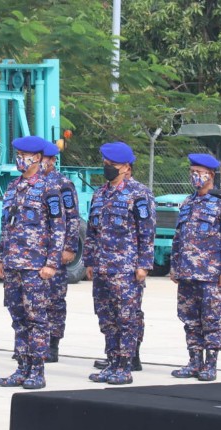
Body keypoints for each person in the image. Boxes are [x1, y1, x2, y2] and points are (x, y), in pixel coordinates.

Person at [0, 135, 65, 390]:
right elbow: (6, 226)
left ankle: (37, 370)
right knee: (18, 318)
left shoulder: (49, 189)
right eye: (18, 155)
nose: (20, 160)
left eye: (24, 156)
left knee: (37, 318)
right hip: (13, 263)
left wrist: (51, 263)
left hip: (36, 266)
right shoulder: (13, 187)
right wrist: (1, 259)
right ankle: (21, 367)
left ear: (36, 158)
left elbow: (58, 228)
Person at [85, 142, 155, 385]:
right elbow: (92, 232)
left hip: (126, 269)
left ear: (126, 167)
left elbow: (147, 232)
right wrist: (89, 260)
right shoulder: (99, 194)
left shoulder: (139, 194)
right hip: (102, 267)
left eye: (112, 164)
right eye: (105, 164)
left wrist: (144, 264)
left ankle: (125, 366)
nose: (108, 168)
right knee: (107, 318)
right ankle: (112, 362)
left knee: (126, 318)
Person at [169, 154, 221, 381]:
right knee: (189, 320)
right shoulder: (187, 202)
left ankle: (211, 364)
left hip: (211, 275)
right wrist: (174, 266)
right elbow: (179, 237)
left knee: (211, 320)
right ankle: (194, 361)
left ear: (211, 175)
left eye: (200, 173)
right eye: (192, 173)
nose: (195, 177)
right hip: (187, 273)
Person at [39, 140, 80, 363]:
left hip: (54, 251)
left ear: (53, 160)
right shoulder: (29, 183)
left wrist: (69, 247)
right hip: (32, 252)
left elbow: (72, 217)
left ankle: (52, 344)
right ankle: (35, 344)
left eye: (44, 158)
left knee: (54, 299)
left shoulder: (63, 184)